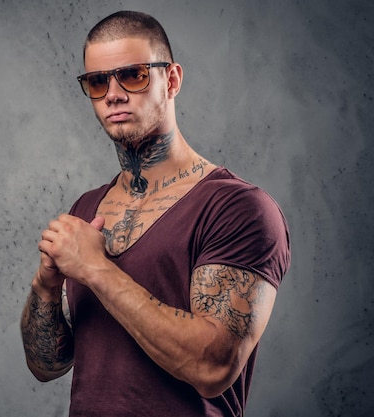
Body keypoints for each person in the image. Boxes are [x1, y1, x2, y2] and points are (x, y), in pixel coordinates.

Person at [20, 10, 290, 417]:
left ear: (172, 79)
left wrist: (96, 268)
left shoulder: (238, 208)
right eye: (97, 81)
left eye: (133, 75)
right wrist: (45, 284)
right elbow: (47, 367)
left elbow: (212, 367)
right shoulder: (86, 210)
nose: (112, 93)